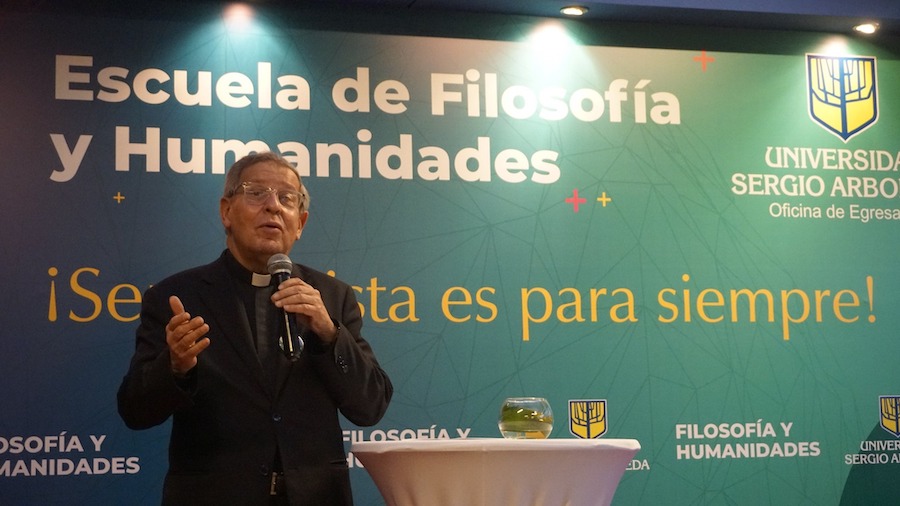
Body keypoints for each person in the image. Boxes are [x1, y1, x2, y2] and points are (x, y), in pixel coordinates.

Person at [117, 151, 392, 505]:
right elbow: (135, 411)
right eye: (256, 192)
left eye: (287, 198)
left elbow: (370, 406)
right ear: (226, 211)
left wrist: (329, 334)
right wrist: (174, 368)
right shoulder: (176, 297)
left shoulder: (333, 297)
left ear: (300, 223)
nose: (273, 206)